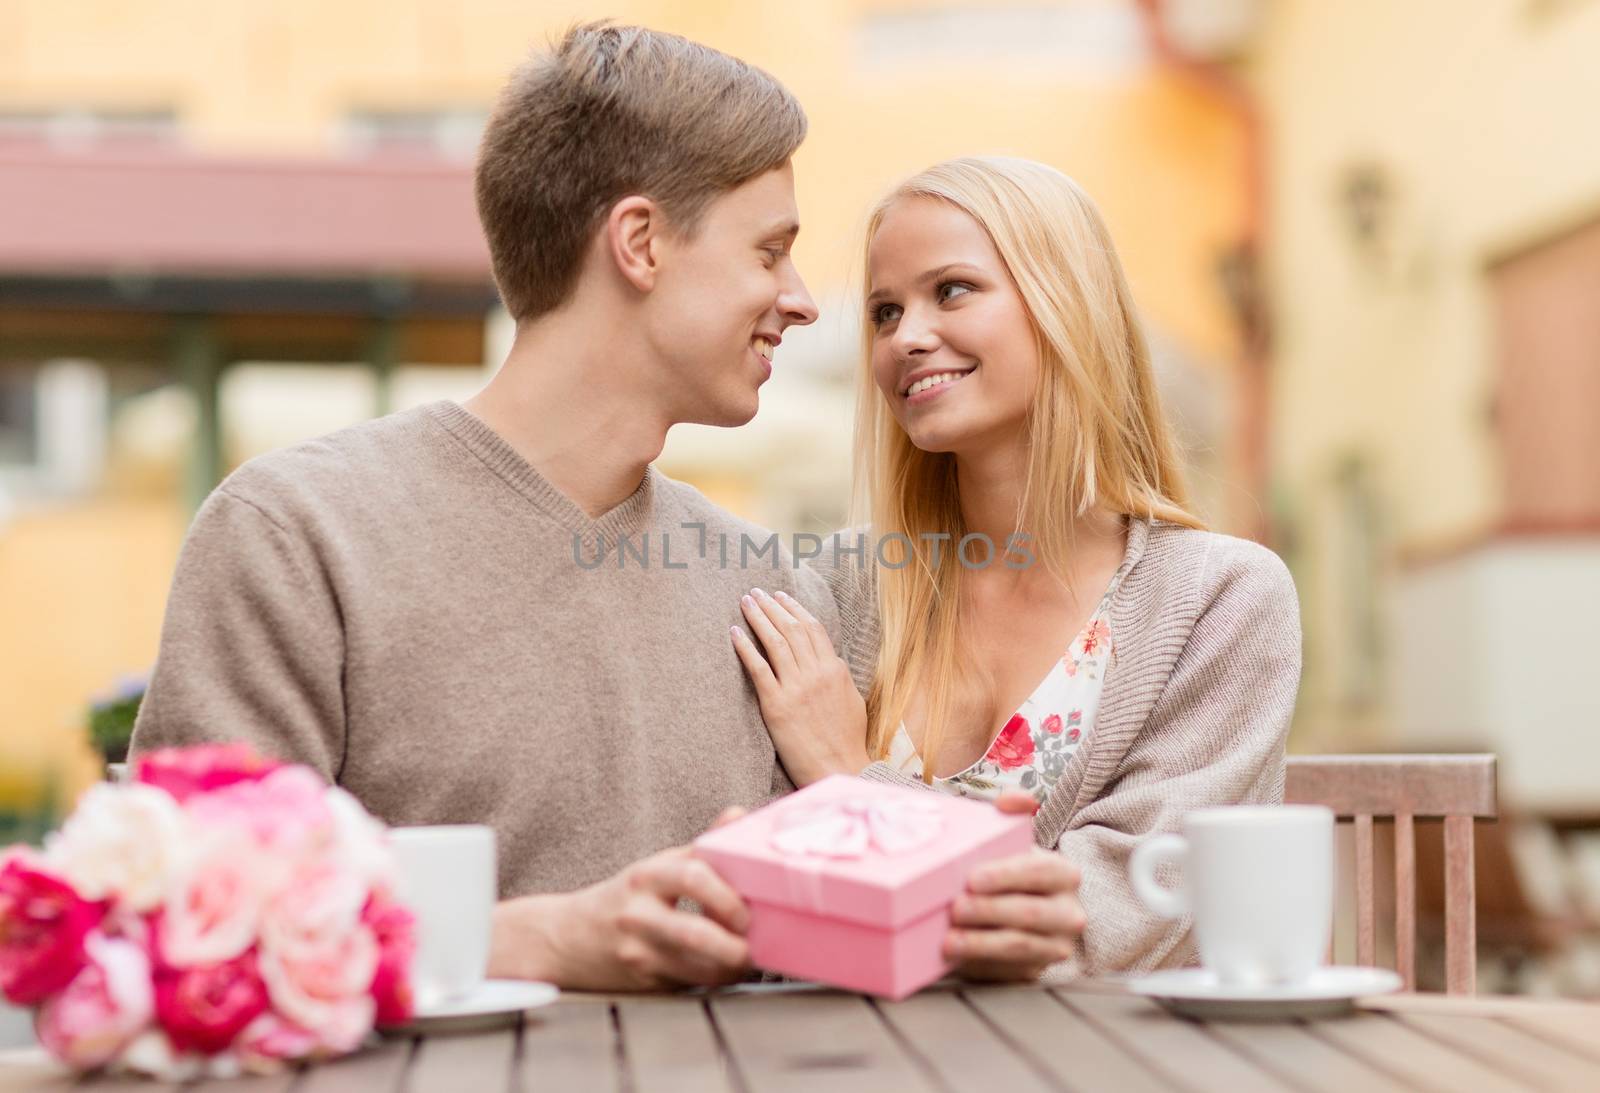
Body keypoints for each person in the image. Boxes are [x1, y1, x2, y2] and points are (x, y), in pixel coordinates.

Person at [130, 30, 1080, 991]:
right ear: (640, 244)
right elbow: (185, 920)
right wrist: (539, 941)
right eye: (769, 252)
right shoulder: (296, 535)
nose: (801, 302)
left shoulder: (768, 590)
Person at [732, 156, 1303, 977]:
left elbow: (1127, 915)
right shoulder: (851, 583)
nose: (906, 337)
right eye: (885, 312)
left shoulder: (1220, 598)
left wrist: (853, 779)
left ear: (1063, 300)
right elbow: (777, 879)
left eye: (952, 290)